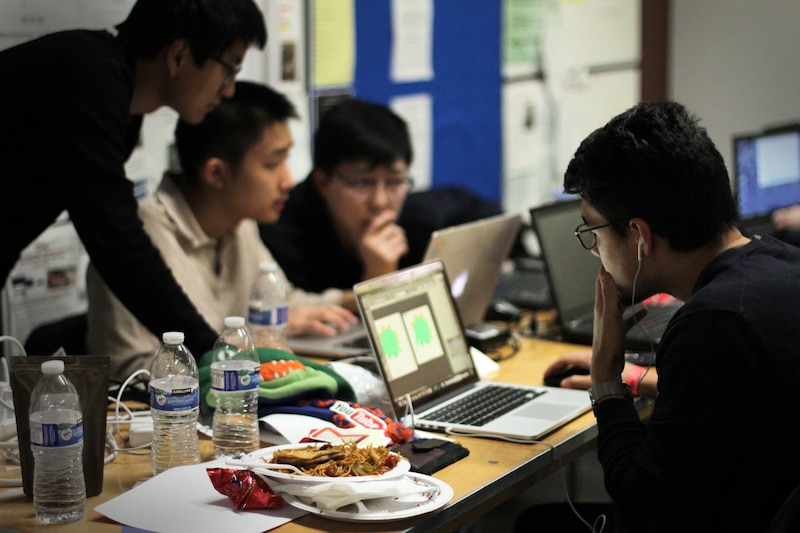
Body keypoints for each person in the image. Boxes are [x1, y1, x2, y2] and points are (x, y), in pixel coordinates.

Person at [517, 101, 800, 532]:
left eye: (592, 233)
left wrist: (607, 381)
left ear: (640, 235)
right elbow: (742, 398)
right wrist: (641, 377)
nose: (594, 251)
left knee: (537, 524)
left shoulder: (712, 326)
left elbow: (644, 508)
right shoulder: (782, 261)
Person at [0, 0, 266, 358]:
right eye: (229, 69)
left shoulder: (120, 103)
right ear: (179, 56)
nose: (229, 89)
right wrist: (210, 351)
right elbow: (116, 241)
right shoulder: (89, 77)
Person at [87, 81, 357, 380]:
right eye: (272, 164)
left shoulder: (239, 223)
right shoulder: (133, 240)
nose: (288, 181)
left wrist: (351, 300)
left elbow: (284, 304)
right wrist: (252, 343)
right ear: (217, 173)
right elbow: (130, 370)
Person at [260, 98, 505, 304]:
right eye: (362, 183)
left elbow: (483, 211)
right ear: (323, 182)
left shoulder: (416, 218)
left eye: (394, 181)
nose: (380, 201)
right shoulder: (279, 232)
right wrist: (378, 278)